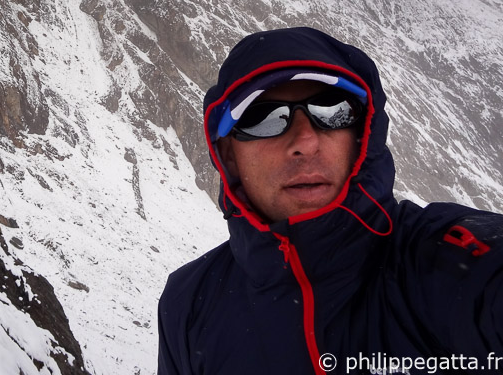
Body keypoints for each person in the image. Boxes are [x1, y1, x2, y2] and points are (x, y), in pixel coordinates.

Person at [157, 27, 503, 375]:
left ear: (361, 135)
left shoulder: (439, 261)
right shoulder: (188, 305)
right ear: (229, 155)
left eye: (334, 112)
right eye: (263, 119)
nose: (305, 141)